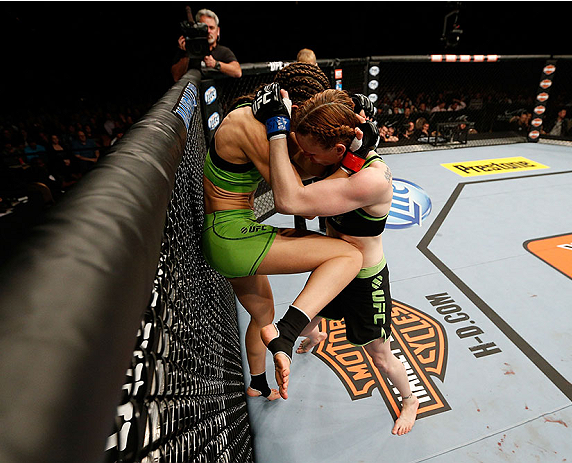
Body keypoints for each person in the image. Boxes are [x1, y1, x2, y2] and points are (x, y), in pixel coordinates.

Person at [253, 86, 419, 435]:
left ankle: (409, 399)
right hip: (334, 264)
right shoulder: (344, 154)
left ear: (340, 149)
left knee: (379, 353)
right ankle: (314, 337)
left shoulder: (371, 179)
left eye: (314, 154)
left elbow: (289, 201)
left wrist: (277, 128)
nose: (308, 159)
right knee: (311, 315)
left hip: (365, 277)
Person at [201, 63, 362, 402]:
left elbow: (303, 162)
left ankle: (257, 384)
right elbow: (299, 198)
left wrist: (344, 124)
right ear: (296, 106)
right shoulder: (251, 125)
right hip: (231, 235)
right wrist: (352, 160)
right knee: (349, 255)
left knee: (262, 315)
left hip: (230, 231)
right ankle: (287, 335)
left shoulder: (259, 116)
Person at [171, 8, 242, 81]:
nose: (208, 31)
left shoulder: (223, 51)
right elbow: (176, 77)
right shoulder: (186, 51)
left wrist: (215, 64)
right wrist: (186, 53)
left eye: (211, 28)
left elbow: (237, 72)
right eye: (204, 27)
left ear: (218, 31)